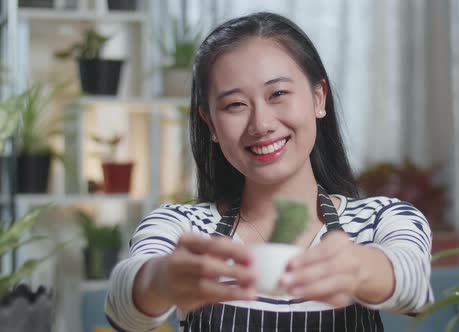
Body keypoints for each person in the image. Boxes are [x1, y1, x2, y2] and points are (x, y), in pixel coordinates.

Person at [105, 12, 433, 332]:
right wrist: (159, 280)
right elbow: (124, 308)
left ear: (318, 98)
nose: (261, 124)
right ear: (211, 125)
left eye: (277, 94)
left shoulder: (380, 220)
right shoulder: (184, 229)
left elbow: (414, 284)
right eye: (235, 105)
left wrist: (361, 267)